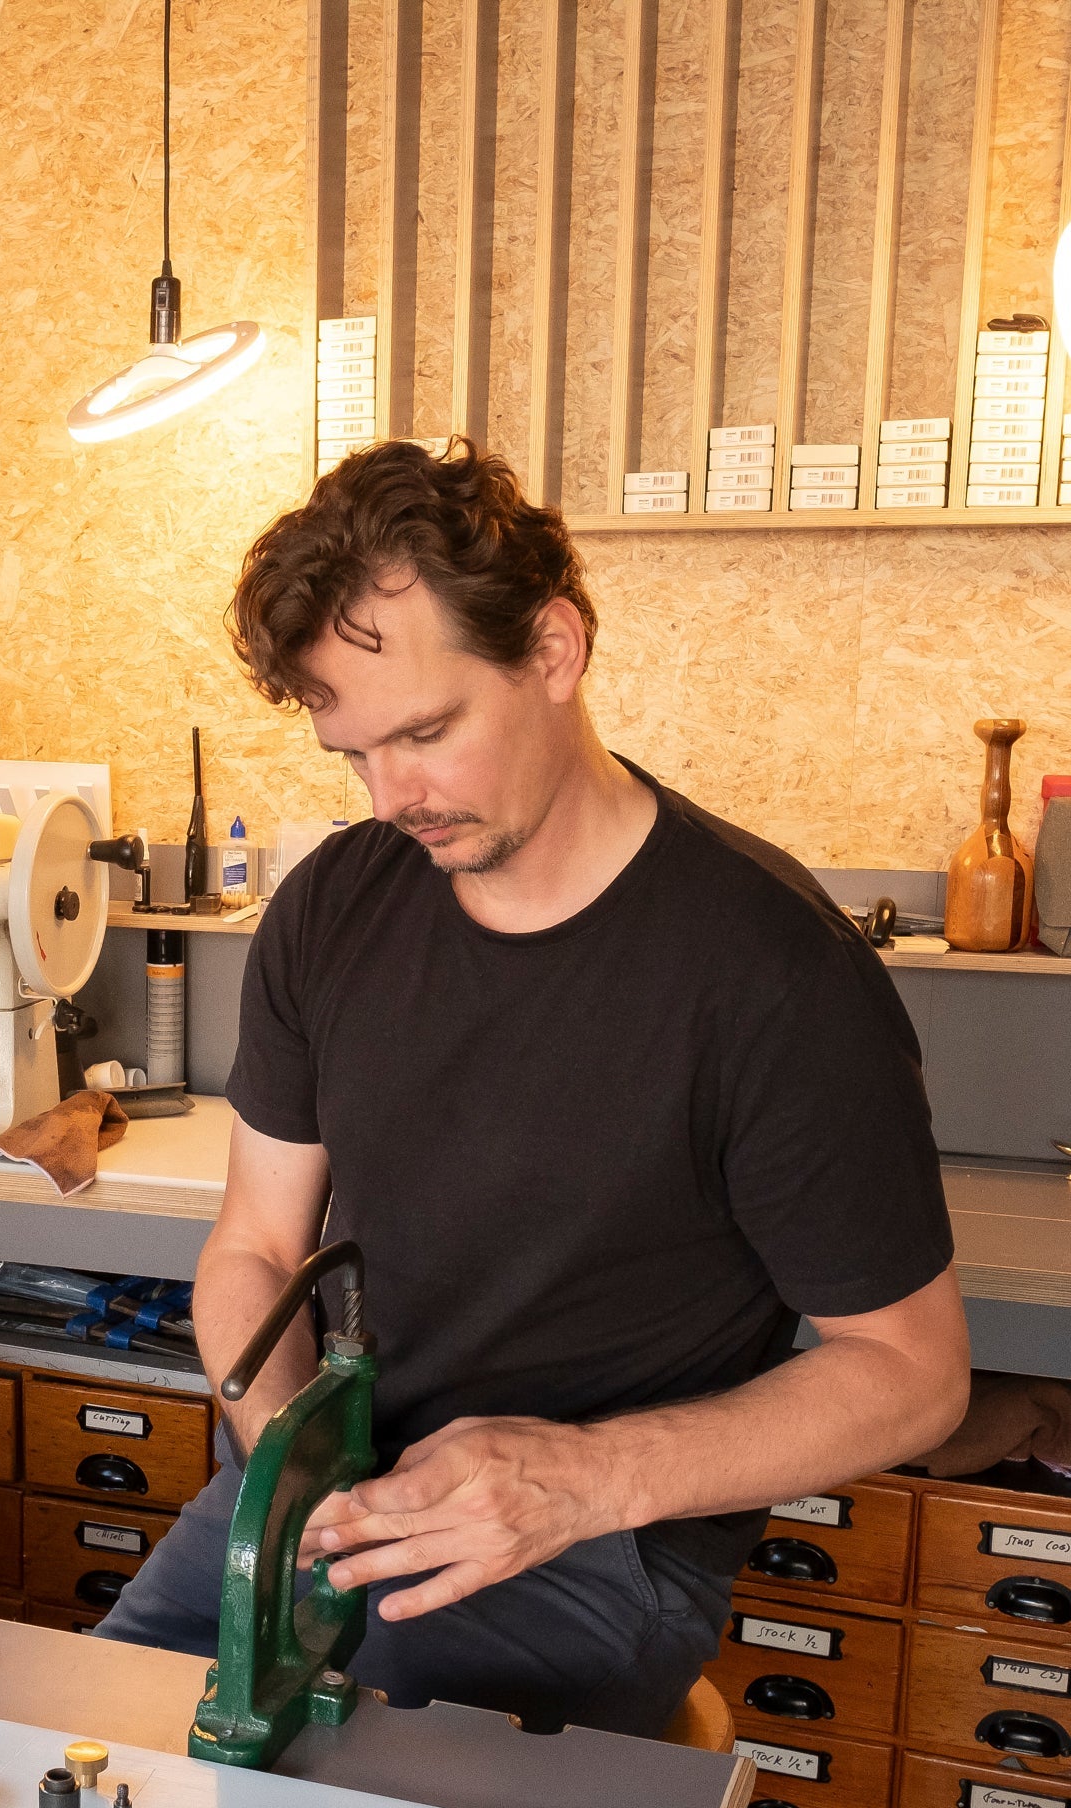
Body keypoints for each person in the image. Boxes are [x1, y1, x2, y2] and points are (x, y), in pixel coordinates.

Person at [94, 438, 970, 1736]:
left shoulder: (772, 978)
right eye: (354, 754)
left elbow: (912, 1370)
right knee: (101, 1739)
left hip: (607, 1539)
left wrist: (581, 1478)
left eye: (430, 733)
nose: (394, 796)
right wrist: (284, 1458)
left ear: (553, 652)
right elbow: (254, 1243)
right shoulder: (331, 911)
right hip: (344, 1496)